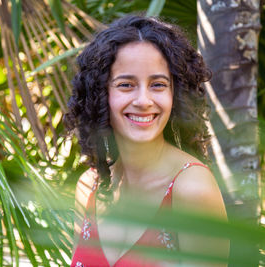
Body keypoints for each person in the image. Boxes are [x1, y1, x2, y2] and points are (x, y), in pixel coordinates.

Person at [64, 15, 229, 267]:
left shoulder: (193, 190)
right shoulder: (90, 188)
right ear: (100, 94)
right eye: (126, 84)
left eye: (158, 85)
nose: (143, 100)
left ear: (176, 93)